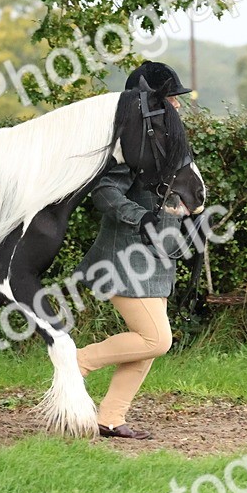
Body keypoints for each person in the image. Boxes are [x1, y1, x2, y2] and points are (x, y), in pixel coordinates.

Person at [75, 61, 194, 439]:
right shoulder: (131, 144)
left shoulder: (165, 140)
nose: (177, 105)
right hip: (125, 253)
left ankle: (110, 417)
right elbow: (105, 191)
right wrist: (140, 216)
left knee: (146, 347)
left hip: (157, 255)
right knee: (157, 339)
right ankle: (75, 363)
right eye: (171, 98)